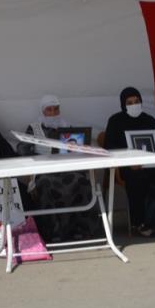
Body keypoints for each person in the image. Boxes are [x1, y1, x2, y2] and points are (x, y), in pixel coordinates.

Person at [20, 95, 102, 243]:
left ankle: (81, 229)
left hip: (67, 169)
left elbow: (78, 147)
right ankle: (53, 231)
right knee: (45, 184)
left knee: (81, 182)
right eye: (49, 110)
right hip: (45, 171)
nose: (53, 113)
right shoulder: (34, 128)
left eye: (56, 109)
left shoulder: (67, 126)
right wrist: (36, 150)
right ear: (42, 111)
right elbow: (22, 148)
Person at [102, 87, 155, 237]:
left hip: (151, 165)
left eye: (137, 101)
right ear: (123, 104)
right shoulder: (115, 121)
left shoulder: (149, 120)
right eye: (130, 102)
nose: (134, 105)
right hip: (128, 167)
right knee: (137, 178)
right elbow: (110, 147)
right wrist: (127, 162)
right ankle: (139, 222)